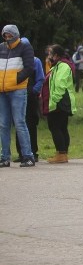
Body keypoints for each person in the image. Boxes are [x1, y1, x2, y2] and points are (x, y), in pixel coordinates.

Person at [0, 25, 36, 167]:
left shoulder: (25, 47)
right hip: (2, 91)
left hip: (17, 91)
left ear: (15, 35)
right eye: (5, 35)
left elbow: (29, 68)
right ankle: (5, 157)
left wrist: (14, 80)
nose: (8, 38)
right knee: (3, 124)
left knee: (20, 122)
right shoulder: (1, 48)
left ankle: (28, 156)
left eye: (10, 35)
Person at [43, 44, 76, 163]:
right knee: (61, 127)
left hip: (60, 102)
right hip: (61, 101)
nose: (49, 56)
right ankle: (62, 153)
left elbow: (60, 84)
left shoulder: (63, 66)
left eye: (50, 54)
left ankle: (61, 153)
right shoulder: (56, 66)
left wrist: (54, 100)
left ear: (56, 55)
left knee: (55, 127)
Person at [15, 38, 44, 163]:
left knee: (31, 124)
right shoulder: (16, 62)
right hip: (17, 95)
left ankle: (33, 152)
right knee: (18, 123)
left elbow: (40, 79)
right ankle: (21, 152)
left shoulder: (35, 61)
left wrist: (34, 91)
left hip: (31, 97)